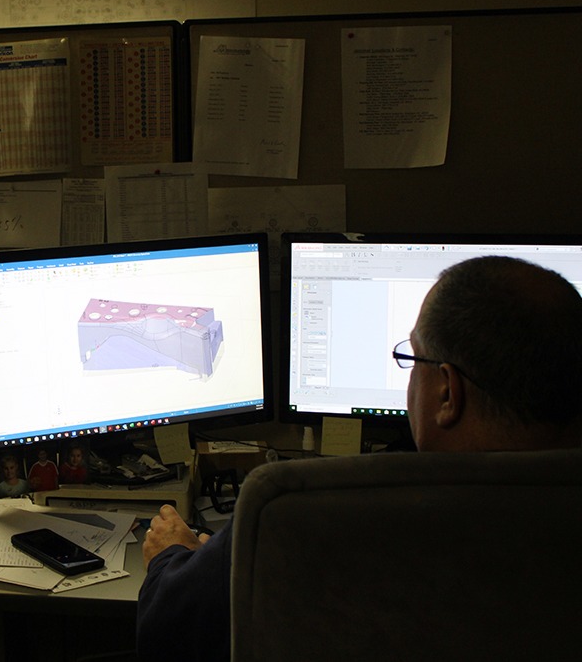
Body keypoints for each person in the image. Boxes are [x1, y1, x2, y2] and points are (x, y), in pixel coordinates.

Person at [136, 256, 582, 661]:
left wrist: (171, 557)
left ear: (447, 392)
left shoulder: (300, 510)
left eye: (412, 358)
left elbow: (168, 631)